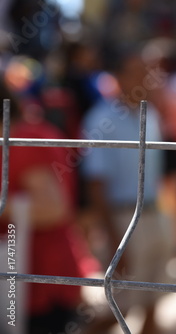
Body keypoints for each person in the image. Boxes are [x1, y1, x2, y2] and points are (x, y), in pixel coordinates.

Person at [80, 45, 174, 334]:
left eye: (147, 72)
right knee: (116, 310)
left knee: (152, 303)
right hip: (123, 220)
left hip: (154, 215)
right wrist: (113, 240)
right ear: (118, 77)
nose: (144, 79)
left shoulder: (152, 114)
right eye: (136, 72)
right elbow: (96, 185)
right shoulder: (100, 120)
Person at [0, 79, 99, 334]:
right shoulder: (26, 133)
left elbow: (53, 208)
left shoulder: (21, 139)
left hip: (39, 281)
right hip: (26, 279)